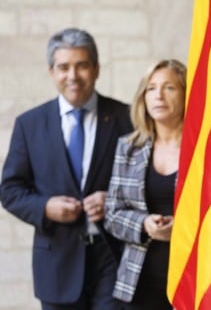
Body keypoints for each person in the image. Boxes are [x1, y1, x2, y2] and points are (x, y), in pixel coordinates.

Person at [0, 28, 132, 309]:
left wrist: (113, 200)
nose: (73, 76)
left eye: (82, 65)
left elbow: (146, 182)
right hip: (56, 263)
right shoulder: (30, 124)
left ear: (96, 69)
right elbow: (10, 190)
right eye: (64, 67)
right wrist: (45, 207)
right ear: (51, 72)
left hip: (114, 258)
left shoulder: (127, 118)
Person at [104, 59, 186, 309]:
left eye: (169, 87)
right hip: (139, 283)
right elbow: (111, 213)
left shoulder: (202, 149)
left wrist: (182, 227)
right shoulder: (129, 148)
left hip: (191, 276)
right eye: (151, 88)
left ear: (186, 93)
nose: (158, 95)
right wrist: (144, 224)